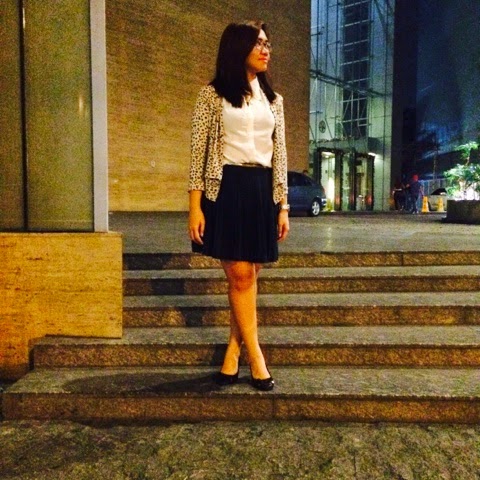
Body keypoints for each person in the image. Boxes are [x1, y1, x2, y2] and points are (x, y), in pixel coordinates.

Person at [188, 21, 289, 391]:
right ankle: (256, 357)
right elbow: (198, 153)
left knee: (249, 275)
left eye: (267, 43)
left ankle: (233, 352)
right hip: (227, 187)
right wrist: (195, 207)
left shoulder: (274, 100)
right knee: (241, 276)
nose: (266, 50)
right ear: (238, 47)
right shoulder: (211, 96)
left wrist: (283, 205)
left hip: (262, 189)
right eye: (258, 43)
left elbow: (280, 153)